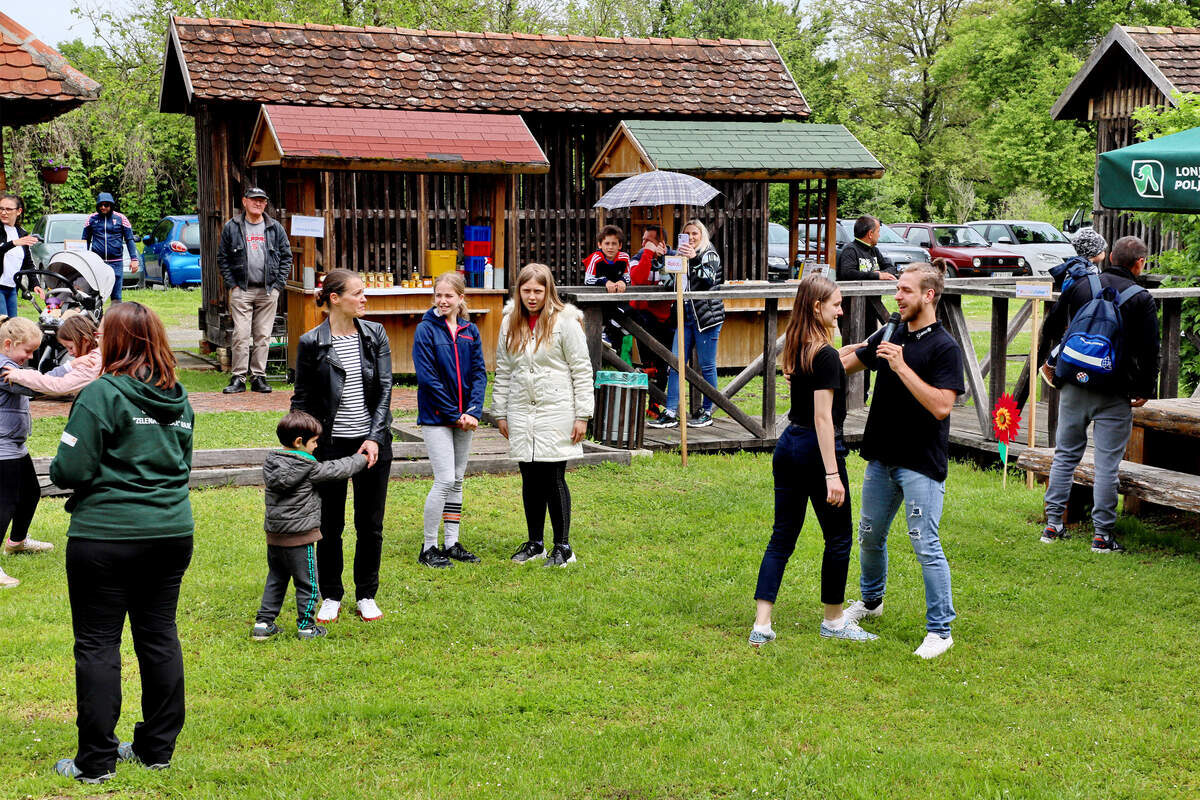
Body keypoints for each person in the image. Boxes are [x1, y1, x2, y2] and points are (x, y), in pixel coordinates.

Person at [49, 302, 194, 783]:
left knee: (97, 644)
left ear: (113, 341)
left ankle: (95, 762)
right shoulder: (180, 398)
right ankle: (156, 750)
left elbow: (69, 469)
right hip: (170, 532)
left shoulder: (101, 393)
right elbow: (181, 465)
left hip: (105, 535)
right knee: (159, 636)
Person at [841, 262, 963, 659]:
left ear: (929, 295)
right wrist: (807, 366)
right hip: (881, 456)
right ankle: (871, 602)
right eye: (897, 289)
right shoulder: (891, 330)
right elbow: (849, 362)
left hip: (920, 461)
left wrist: (901, 366)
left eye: (906, 290)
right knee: (869, 535)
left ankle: (940, 631)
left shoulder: (944, 347)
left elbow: (942, 406)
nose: (897, 296)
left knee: (925, 543)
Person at [749, 276, 877, 646]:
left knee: (782, 537)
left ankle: (762, 625)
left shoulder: (798, 345)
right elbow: (823, 418)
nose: (841, 311)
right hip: (817, 450)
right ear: (817, 307)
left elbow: (831, 362)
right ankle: (834, 621)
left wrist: (854, 349)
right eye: (836, 304)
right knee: (838, 537)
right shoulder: (824, 356)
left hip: (789, 446)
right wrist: (832, 474)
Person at [1038, 236, 1159, 553]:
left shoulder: (1082, 285)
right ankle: (1102, 536)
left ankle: (1052, 525)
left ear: (1110, 257)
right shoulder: (1141, 298)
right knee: (1107, 465)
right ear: (1139, 263)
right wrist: (1145, 389)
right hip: (1114, 391)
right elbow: (1150, 351)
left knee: (1065, 455)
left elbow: (1051, 325)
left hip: (1073, 385)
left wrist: (1058, 360)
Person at [291, 269, 393, 624]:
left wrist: (375, 437)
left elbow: (385, 390)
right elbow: (301, 398)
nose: (364, 299)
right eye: (357, 293)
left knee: (370, 524)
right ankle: (331, 595)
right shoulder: (311, 342)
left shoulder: (375, 334)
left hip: (372, 444)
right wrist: (299, 446)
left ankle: (366, 594)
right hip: (330, 447)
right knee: (329, 524)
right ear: (334, 298)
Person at [493, 263, 593, 567]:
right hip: (522, 409)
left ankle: (563, 546)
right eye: (526, 291)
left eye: (538, 290)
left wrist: (583, 415)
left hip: (557, 410)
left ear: (548, 290)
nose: (532, 297)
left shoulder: (566, 321)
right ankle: (535, 542)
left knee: (553, 477)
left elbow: (581, 369)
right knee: (529, 477)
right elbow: (504, 370)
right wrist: (500, 412)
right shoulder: (510, 322)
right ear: (519, 292)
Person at [254, 411, 367, 641]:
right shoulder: (307, 467)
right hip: (300, 538)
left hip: (275, 537)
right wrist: (361, 459)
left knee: (276, 579)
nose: (316, 446)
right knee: (308, 584)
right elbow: (338, 469)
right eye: (314, 442)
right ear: (299, 442)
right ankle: (306, 627)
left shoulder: (273, 463)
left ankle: (263, 624)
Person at [413, 272, 487, 568]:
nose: (442, 301)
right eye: (438, 295)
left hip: (465, 417)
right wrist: (455, 415)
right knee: (444, 479)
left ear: (460, 298)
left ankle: (451, 542)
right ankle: (429, 546)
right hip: (436, 418)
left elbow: (480, 373)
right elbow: (427, 378)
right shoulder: (425, 330)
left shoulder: (471, 330)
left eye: (448, 296)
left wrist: (473, 410)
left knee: (457, 480)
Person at [647, 219, 724, 429]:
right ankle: (671, 412)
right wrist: (662, 258)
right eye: (686, 234)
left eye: (694, 234)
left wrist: (694, 259)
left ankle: (707, 411)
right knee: (675, 364)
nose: (690, 238)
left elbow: (708, 279)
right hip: (685, 316)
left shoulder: (709, 253)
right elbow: (667, 280)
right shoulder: (680, 255)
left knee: (707, 366)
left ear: (702, 235)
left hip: (706, 317)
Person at [217, 187, 292, 394]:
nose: (258, 203)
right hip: (242, 289)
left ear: (266, 204)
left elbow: (287, 257)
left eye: (262, 200)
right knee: (241, 335)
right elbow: (222, 258)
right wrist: (232, 284)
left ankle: (259, 377)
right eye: (254, 200)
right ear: (244, 202)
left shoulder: (275, 228)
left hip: (268, 290)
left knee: (263, 336)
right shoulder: (232, 227)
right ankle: (238, 378)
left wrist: (278, 285)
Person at [0, 317, 52, 589]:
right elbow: (34, 386)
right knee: (5, 504)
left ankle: (17, 541)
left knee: (31, 492)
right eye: (28, 351)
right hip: (2, 447)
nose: (31, 357)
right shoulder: (3, 369)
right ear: (8, 344)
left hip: (15, 444)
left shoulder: (12, 366)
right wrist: (71, 372)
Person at [1039, 227, 1108, 386]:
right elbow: (1077, 290)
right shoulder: (1082, 269)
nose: (1104, 251)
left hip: (1078, 311)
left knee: (1074, 339)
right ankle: (1050, 364)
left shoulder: (1081, 266)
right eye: (1102, 248)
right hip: (1077, 312)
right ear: (1093, 251)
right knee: (1071, 339)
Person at [628, 225, 677, 417]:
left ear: (661, 242)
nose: (643, 243)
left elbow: (678, 282)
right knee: (650, 364)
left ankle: (655, 405)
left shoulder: (674, 257)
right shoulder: (638, 257)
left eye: (648, 240)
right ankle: (646, 402)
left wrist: (664, 259)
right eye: (643, 239)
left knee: (664, 363)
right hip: (644, 316)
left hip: (668, 316)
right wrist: (648, 254)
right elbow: (637, 280)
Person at [2, 315, 102, 397]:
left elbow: (58, 386)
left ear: (84, 340)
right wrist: (70, 366)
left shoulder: (92, 361)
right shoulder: (3, 369)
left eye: (71, 347)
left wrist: (21, 374)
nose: (70, 353)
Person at [82, 192, 138, 303]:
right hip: (98, 262)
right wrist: (83, 259)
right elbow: (85, 240)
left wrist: (134, 259)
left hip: (116, 263)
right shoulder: (91, 219)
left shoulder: (121, 218)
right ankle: (96, 313)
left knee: (116, 295)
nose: (103, 207)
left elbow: (129, 239)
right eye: (100, 205)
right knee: (95, 293)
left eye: (106, 205)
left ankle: (116, 314)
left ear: (111, 205)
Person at [582, 224, 632, 347]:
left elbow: (627, 277)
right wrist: (605, 282)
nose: (610, 247)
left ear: (620, 245)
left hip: (617, 299)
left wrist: (622, 281)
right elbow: (588, 280)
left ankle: (613, 333)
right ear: (600, 245)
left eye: (614, 243)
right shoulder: (595, 258)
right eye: (607, 243)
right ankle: (604, 333)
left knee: (632, 312)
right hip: (598, 300)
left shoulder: (624, 258)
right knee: (600, 315)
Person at [0, 194, 36, 317]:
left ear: (18, 211)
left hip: (12, 288)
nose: (3, 212)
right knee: (3, 323)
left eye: (8, 209)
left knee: (13, 323)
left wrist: (35, 284)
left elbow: (28, 262)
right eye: (1, 208)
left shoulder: (21, 233)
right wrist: (13, 243)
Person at [836, 215, 899, 282]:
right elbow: (848, 273)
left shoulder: (874, 250)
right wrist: (876, 275)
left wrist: (881, 274)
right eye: (878, 232)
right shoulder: (850, 250)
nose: (879, 235)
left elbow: (891, 268)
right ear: (870, 234)